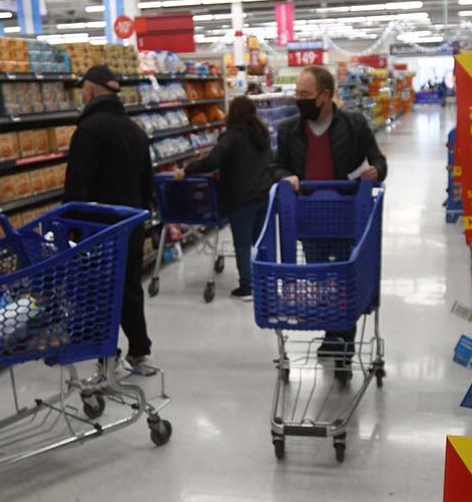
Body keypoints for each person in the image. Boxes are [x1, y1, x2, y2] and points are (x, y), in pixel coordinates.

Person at [273, 65, 388, 360]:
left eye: (305, 94)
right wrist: (286, 176)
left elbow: (377, 158)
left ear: (325, 96)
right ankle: (331, 334)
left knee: (343, 278)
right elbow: (277, 166)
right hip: (309, 218)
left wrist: (377, 170)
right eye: (297, 93)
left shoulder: (354, 124)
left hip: (347, 216)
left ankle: (343, 338)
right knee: (322, 280)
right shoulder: (288, 129)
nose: (299, 99)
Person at [63, 64, 155, 374]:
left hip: (97, 229)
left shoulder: (88, 131)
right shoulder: (135, 130)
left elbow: (76, 187)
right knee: (129, 286)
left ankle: (106, 354)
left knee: (99, 290)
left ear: (89, 91)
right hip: (132, 224)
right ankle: (140, 348)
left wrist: (69, 232)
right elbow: (148, 184)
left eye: (82, 90)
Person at [172, 96, 274, 300]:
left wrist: (187, 169)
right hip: (264, 195)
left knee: (243, 244)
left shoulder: (232, 136)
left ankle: (247, 287)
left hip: (242, 197)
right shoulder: (262, 135)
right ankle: (266, 282)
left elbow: (213, 160)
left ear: (233, 113)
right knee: (260, 242)